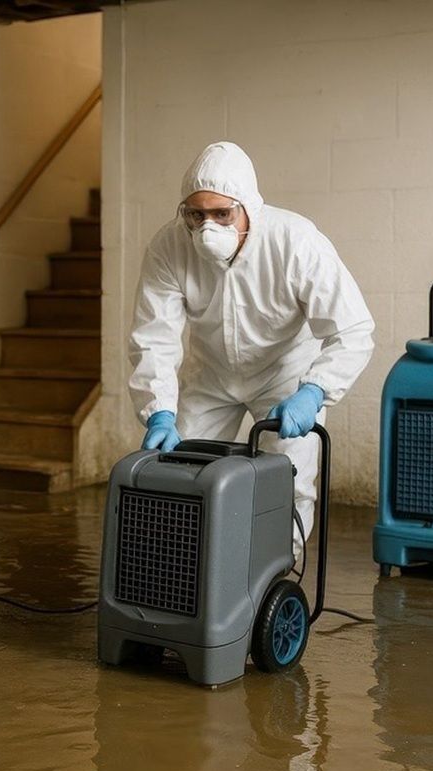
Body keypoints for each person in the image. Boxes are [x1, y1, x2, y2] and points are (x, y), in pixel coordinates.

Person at [128, 142, 374, 559]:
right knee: (175, 473)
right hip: (212, 376)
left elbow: (353, 329)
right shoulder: (170, 245)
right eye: (196, 214)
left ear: (248, 207)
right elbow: (154, 336)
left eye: (221, 213)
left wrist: (314, 391)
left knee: (287, 483)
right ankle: (184, 575)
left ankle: (271, 578)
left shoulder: (294, 241)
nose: (207, 227)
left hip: (285, 380)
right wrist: (160, 410)